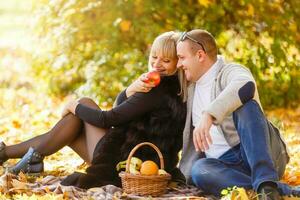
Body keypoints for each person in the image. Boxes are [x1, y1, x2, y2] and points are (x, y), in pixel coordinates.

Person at [0, 31, 187, 188]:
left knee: (82, 107)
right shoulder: (172, 87)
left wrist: (74, 106)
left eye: (166, 60)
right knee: (72, 124)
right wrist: (130, 90)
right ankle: (16, 156)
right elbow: (120, 108)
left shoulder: (158, 90)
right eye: (154, 57)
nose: (157, 64)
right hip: (132, 157)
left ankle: (11, 154)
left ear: (177, 63)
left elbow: (109, 119)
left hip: (125, 162)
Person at [176, 29, 299, 199]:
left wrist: (209, 114)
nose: (178, 64)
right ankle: (270, 189)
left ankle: (265, 180)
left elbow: (246, 85)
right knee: (199, 170)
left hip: (259, 153)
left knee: (245, 105)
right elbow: (160, 60)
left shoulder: (229, 71)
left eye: (182, 58)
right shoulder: (189, 86)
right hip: (227, 166)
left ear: (200, 55)